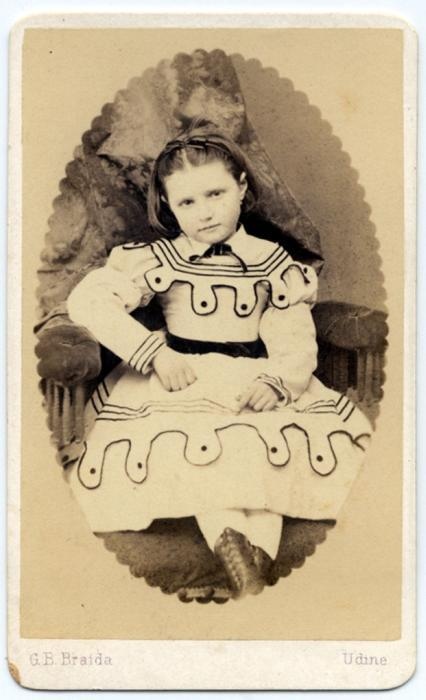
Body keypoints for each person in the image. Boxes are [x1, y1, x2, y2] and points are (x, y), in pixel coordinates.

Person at [66, 122, 372, 601]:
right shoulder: (159, 258)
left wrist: (279, 381)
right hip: (181, 380)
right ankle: (248, 581)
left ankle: (253, 585)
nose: (205, 212)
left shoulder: (272, 261)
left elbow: (293, 336)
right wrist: (154, 354)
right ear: (168, 204)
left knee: (261, 460)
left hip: (254, 377)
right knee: (208, 461)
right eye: (187, 202)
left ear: (242, 188)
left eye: (215, 194)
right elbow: (89, 301)